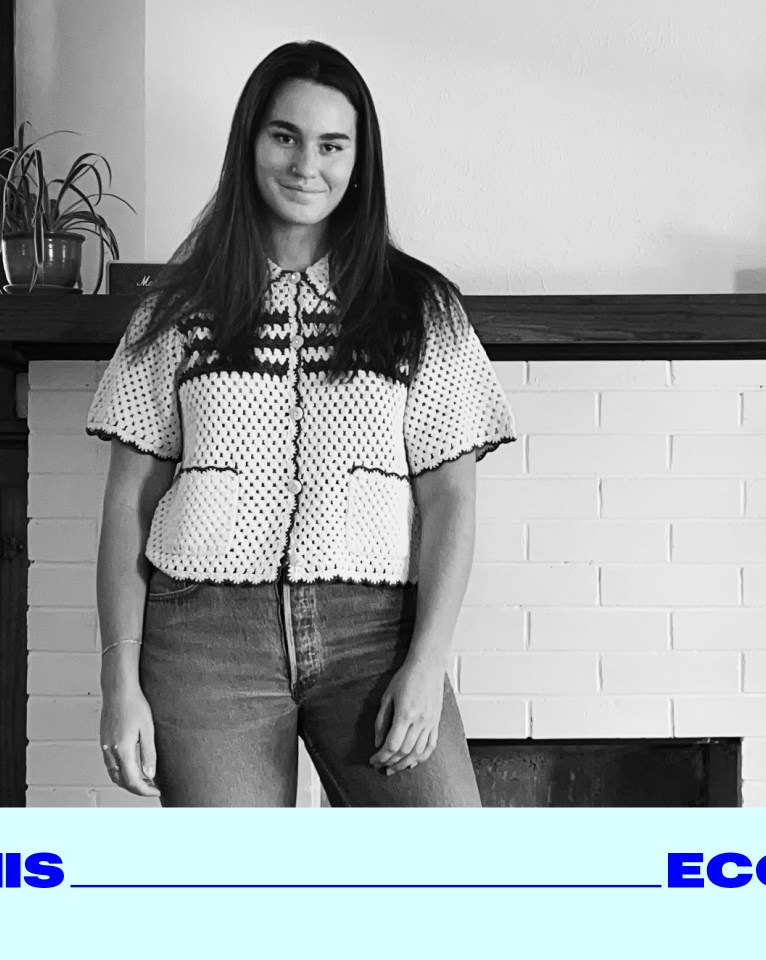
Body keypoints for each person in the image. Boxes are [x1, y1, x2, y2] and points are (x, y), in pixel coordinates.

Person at [85, 40, 517, 807]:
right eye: (284, 136)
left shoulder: (422, 308)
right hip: (203, 640)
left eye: (331, 144)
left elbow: (452, 496)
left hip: (374, 635)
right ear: (251, 142)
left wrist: (427, 660)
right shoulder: (174, 312)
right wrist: (118, 678)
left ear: (359, 161)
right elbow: (128, 502)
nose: (305, 164)